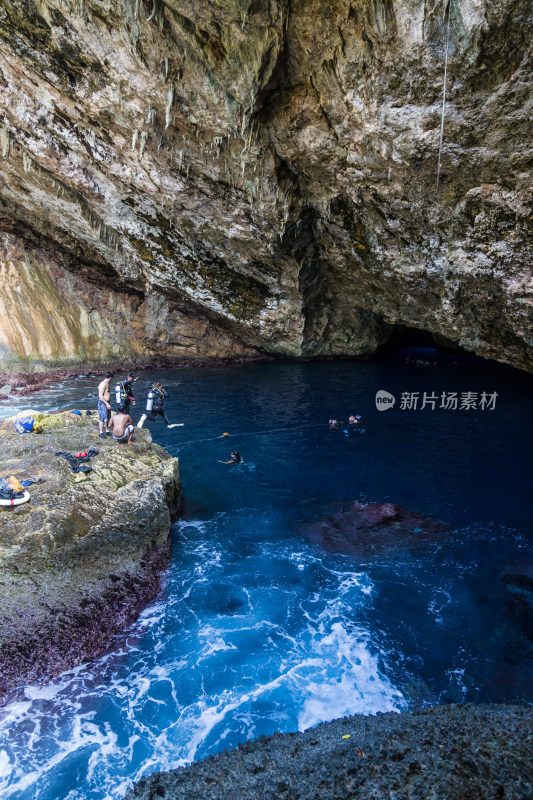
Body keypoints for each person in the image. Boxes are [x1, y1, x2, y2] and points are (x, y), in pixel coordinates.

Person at [98, 372, 114, 439]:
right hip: (103, 403)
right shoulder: (103, 384)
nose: (112, 380)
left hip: (107, 402)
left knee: (107, 417)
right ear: (110, 377)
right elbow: (100, 395)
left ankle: (107, 431)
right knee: (102, 418)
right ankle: (101, 432)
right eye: (112, 378)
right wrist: (107, 404)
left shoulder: (107, 383)